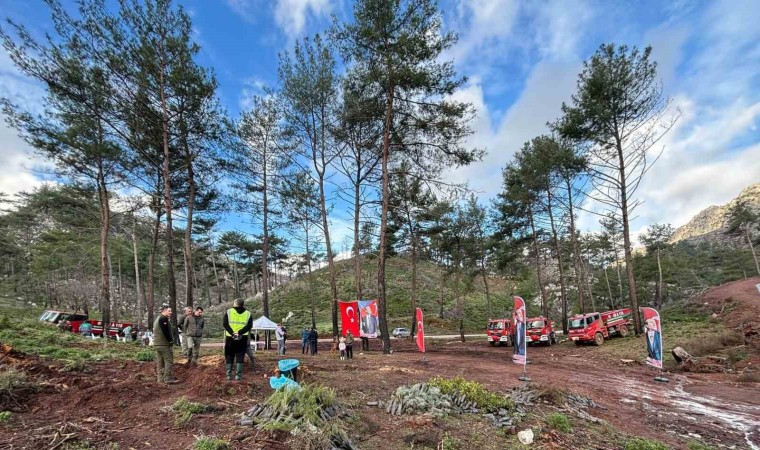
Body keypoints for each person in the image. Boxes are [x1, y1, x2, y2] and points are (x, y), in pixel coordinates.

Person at [223, 299, 253, 381]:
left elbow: (225, 324)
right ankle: (238, 376)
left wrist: (232, 333)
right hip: (242, 337)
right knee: (240, 355)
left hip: (230, 337)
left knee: (229, 355)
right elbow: (249, 326)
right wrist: (240, 332)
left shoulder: (229, 312)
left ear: (235, 303)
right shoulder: (248, 313)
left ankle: (228, 375)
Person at [153, 305, 178, 384]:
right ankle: (167, 378)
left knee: (160, 362)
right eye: (169, 311)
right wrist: (170, 340)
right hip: (164, 344)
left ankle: (160, 379)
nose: (171, 312)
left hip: (157, 344)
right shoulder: (163, 319)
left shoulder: (157, 319)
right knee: (168, 361)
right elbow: (165, 332)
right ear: (164, 311)